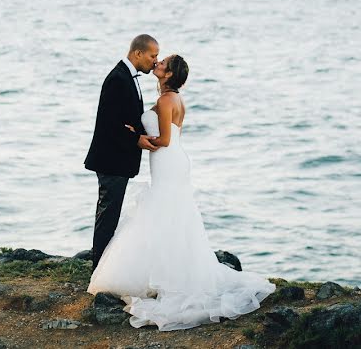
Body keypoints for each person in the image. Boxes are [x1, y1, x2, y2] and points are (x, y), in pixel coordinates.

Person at [87, 54, 275, 331]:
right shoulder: (173, 99)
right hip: (173, 161)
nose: (158, 63)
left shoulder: (166, 100)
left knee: (164, 210)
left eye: (162, 63)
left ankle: (167, 277)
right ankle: (168, 272)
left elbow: (163, 140)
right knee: (172, 214)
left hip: (168, 161)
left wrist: (136, 139)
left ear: (169, 74)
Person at [84, 34, 161, 269]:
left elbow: (125, 119)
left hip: (117, 158)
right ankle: (99, 270)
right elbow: (109, 123)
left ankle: (103, 267)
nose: (155, 61)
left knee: (109, 214)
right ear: (138, 53)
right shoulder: (118, 78)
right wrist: (135, 138)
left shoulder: (127, 76)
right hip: (111, 159)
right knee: (108, 216)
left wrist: (134, 130)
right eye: (152, 55)